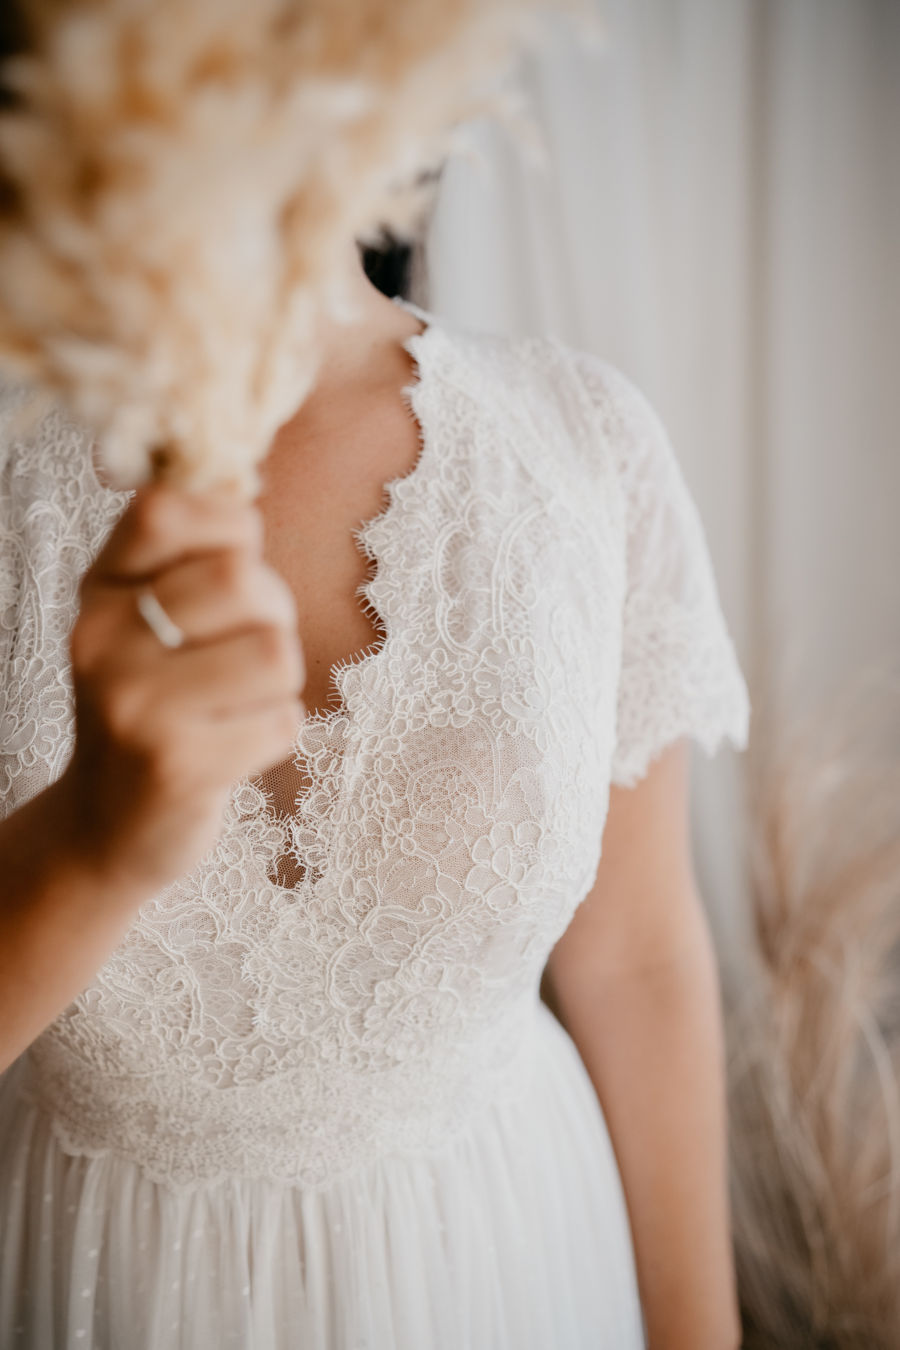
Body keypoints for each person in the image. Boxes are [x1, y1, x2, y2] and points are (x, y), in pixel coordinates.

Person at [0, 236, 749, 1349]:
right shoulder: (15, 472)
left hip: (512, 1261)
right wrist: (86, 846)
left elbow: (636, 957)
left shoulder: (581, 439)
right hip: (108, 1284)